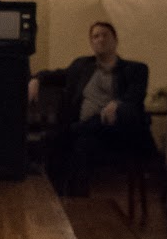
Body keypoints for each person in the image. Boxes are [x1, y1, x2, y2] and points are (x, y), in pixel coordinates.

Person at [51, 22, 150, 196]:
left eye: (105, 35)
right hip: (88, 134)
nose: (100, 39)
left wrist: (117, 103)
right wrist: (36, 79)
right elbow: (57, 75)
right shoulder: (82, 66)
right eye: (95, 36)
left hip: (114, 131)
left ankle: (74, 131)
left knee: (71, 135)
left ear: (115, 40)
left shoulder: (135, 69)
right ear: (91, 42)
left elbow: (135, 96)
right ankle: (65, 199)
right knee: (77, 143)